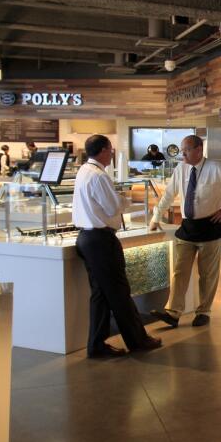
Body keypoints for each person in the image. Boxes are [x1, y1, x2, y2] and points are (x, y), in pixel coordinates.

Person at [72, 135, 162, 358]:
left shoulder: (84, 171)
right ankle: (138, 341)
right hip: (101, 241)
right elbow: (113, 208)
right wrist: (125, 199)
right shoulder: (98, 176)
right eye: (110, 149)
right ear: (103, 150)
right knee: (120, 293)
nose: (112, 154)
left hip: (86, 239)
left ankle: (97, 345)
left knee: (101, 295)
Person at [149, 134, 221, 328]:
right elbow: (168, 194)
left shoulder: (217, 168)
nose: (182, 153)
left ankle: (204, 311)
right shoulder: (180, 168)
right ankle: (173, 313)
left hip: (210, 227)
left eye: (187, 149)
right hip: (188, 227)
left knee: (207, 274)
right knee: (179, 270)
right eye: (182, 149)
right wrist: (156, 217)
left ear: (199, 149)